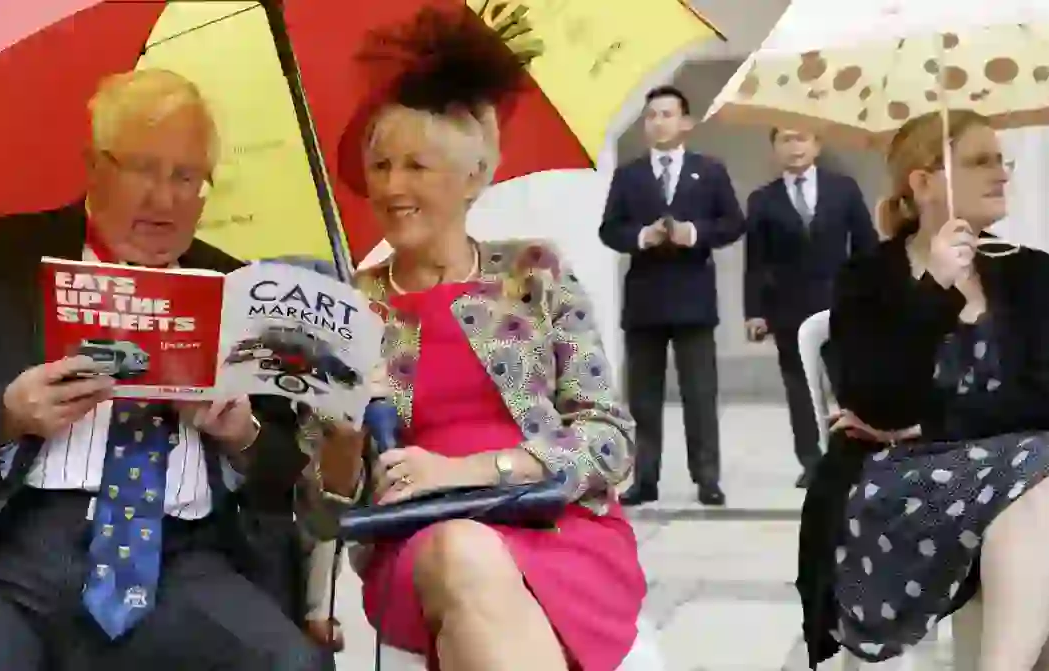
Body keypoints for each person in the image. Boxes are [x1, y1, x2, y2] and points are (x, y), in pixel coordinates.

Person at [0, 69, 357, 670]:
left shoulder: (241, 288)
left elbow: (284, 470)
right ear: (94, 165)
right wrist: (6, 412)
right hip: (2, 556)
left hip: (182, 561)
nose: (164, 198)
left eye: (186, 177)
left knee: (292, 665)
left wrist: (243, 437)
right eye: (143, 170)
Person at [308, 8, 647, 671]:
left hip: (559, 526)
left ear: (473, 177)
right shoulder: (350, 304)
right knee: (462, 552)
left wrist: (465, 471)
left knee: (478, 609)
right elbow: (324, 498)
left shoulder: (534, 271)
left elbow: (609, 437)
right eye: (379, 165)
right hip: (415, 544)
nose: (392, 186)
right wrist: (345, 430)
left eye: (417, 165)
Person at [796, 110, 1049, 669]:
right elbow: (873, 399)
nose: (1001, 174)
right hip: (893, 487)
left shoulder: (1032, 272)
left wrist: (931, 424)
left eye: (1000, 160)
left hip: (1006, 475)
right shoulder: (866, 277)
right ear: (924, 181)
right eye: (980, 160)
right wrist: (935, 288)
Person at [599, 85, 745, 507]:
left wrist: (693, 233)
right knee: (643, 398)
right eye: (651, 116)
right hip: (644, 300)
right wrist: (642, 236)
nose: (658, 122)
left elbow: (733, 223)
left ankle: (707, 478)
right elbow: (609, 229)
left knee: (700, 395)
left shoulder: (710, 170)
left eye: (667, 114)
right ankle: (644, 478)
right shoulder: (629, 175)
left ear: (686, 122)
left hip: (694, 299)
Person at [743, 128, 877, 488]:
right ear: (774, 148)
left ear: (817, 144)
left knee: (849, 384)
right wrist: (754, 311)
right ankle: (812, 461)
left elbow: (866, 246)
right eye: (786, 139)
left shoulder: (843, 189)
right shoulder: (762, 200)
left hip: (842, 304)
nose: (795, 146)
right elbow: (755, 261)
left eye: (801, 138)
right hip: (788, 308)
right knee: (800, 389)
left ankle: (855, 455)